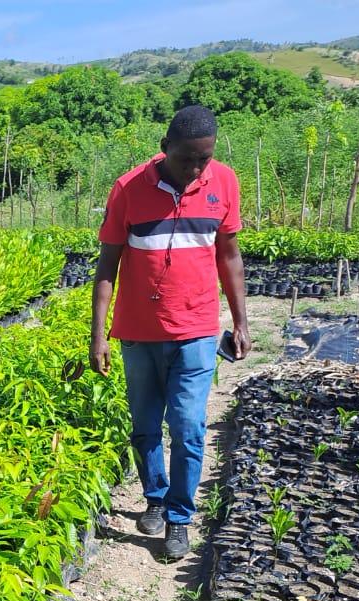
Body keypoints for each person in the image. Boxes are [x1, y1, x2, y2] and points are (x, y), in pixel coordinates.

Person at [89, 104, 249, 560]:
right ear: (165, 150)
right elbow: (107, 266)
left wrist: (240, 320)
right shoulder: (129, 188)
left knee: (188, 426)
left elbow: (230, 256)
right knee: (144, 428)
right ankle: (154, 498)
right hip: (138, 332)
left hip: (197, 329)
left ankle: (179, 517)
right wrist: (98, 335)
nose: (196, 168)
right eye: (187, 159)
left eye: (205, 158)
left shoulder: (224, 183)